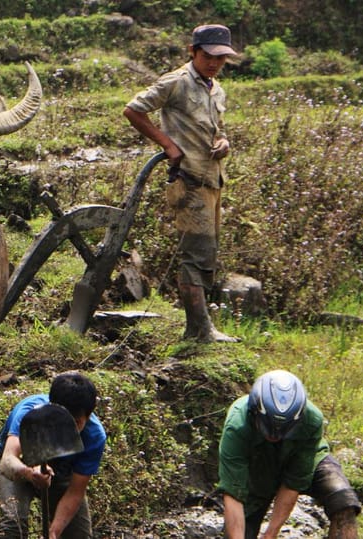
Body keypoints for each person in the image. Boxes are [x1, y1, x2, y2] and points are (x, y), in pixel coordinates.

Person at [123, 24, 239, 343]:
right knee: (196, 254)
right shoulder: (176, 82)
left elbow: (218, 129)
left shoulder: (216, 89)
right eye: (208, 56)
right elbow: (133, 110)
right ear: (193, 51)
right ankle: (199, 330)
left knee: (208, 252)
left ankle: (200, 327)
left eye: (221, 58)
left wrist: (224, 142)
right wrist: (168, 145)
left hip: (213, 179)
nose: (214, 63)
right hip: (188, 180)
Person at [217, 369, 361, 538]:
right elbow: (234, 494)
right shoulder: (237, 426)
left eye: (282, 428)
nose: (274, 435)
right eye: (268, 426)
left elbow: (294, 481)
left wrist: (270, 534)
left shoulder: (312, 420)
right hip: (255, 471)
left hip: (306, 457)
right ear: (254, 411)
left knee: (343, 502)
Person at [0, 371, 107, 538]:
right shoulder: (29, 414)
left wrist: (54, 531)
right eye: (63, 421)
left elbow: (75, 491)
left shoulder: (94, 436)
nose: (69, 429)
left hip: (60, 471)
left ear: (89, 416)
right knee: (13, 524)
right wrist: (29, 473)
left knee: (78, 534)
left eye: (76, 423)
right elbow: (7, 461)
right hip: (20, 464)